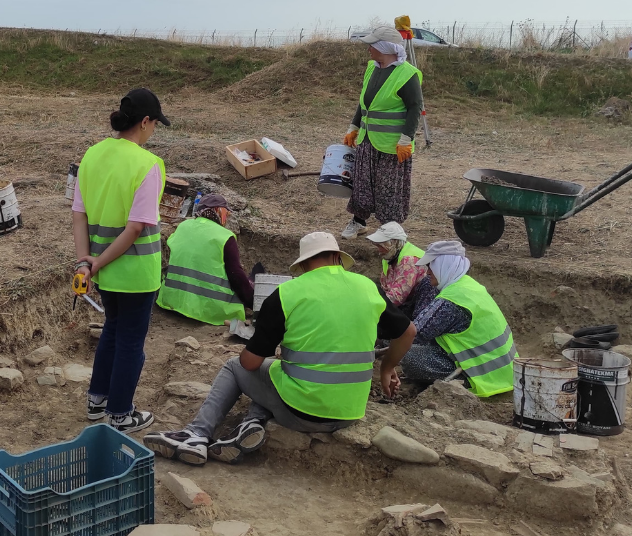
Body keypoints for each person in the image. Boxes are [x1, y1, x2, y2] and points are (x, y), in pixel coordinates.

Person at [144, 232, 416, 466]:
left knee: (237, 367)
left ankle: (196, 434)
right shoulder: (368, 287)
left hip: (302, 413)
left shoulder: (288, 293)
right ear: (337, 258)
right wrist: (387, 368)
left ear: (304, 264)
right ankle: (250, 424)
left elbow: (249, 363)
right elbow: (408, 332)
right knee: (275, 374)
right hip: (350, 412)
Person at [73, 88, 171, 433]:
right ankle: (120, 414)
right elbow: (134, 229)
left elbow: (79, 216)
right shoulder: (148, 164)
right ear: (144, 122)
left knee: (112, 332)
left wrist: (86, 263)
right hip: (135, 274)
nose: (154, 131)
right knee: (131, 341)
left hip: (103, 272)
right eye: (155, 124)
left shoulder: (92, 155)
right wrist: (96, 264)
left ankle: (97, 402)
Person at [400, 241, 515, 398]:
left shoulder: (451, 300)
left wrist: (381, 348)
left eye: (431, 266)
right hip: (505, 371)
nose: (427, 272)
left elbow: (414, 334)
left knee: (409, 356)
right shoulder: (467, 285)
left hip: (482, 377)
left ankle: (461, 382)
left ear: (443, 265)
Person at [341, 25, 424, 240]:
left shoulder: (407, 74)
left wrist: (406, 139)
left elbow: (415, 107)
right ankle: (358, 222)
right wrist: (354, 127)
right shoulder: (372, 68)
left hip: (392, 144)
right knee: (361, 184)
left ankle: (390, 232)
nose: (369, 49)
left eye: (372, 45)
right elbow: (364, 103)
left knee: (389, 190)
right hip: (367, 140)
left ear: (385, 47)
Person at [157, 193, 255, 326]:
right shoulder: (224, 236)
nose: (227, 217)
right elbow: (236, 276)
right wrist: (252, 301)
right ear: (219, 211)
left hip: (172, 302)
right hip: (211, 311)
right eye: (226, 212)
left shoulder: (183, 226)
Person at [366, 221, 432, 316]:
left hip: (417, 306)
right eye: (377, 246)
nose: (379, 250)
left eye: (381, 246)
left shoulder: (409, 261)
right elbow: (386, 287)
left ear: (394, 243)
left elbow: (397, 297)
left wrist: (370, 307)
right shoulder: (390, 255)